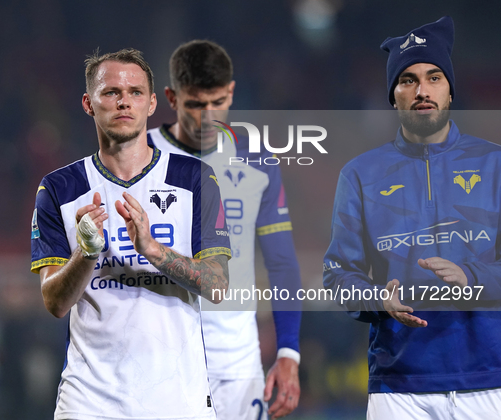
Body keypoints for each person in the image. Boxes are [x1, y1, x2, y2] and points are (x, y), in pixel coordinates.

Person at [30, 48, 231, 420]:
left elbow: (218, 285)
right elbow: (55, 303)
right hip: (89, 403)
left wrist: (153, 249)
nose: (124, 101)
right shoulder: (59, 187)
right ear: (89, 104)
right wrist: (87, 252)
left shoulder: (195, 178)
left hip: (177, 402)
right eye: (111, 93)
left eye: (135, 92)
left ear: (153, 103)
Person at [323, 16, 501, 419]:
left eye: (434, 77)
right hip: (398, 385)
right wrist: (377, 297)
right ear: (393, 95)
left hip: (490, 379)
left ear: (450, 89)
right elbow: (339, 274)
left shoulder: (494, 164)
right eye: (407, 80)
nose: (422, 90)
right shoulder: (360, 174)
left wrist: (472, 276)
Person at [148, 40, 302, 420]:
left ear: (231, 92)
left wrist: (288, 352)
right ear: (171, 97)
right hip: (159, 365)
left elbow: (281, 262)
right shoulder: (138, 157)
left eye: (217, 102)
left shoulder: (258, 161)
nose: (208, 116)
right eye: (196, 104)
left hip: (236, 363)